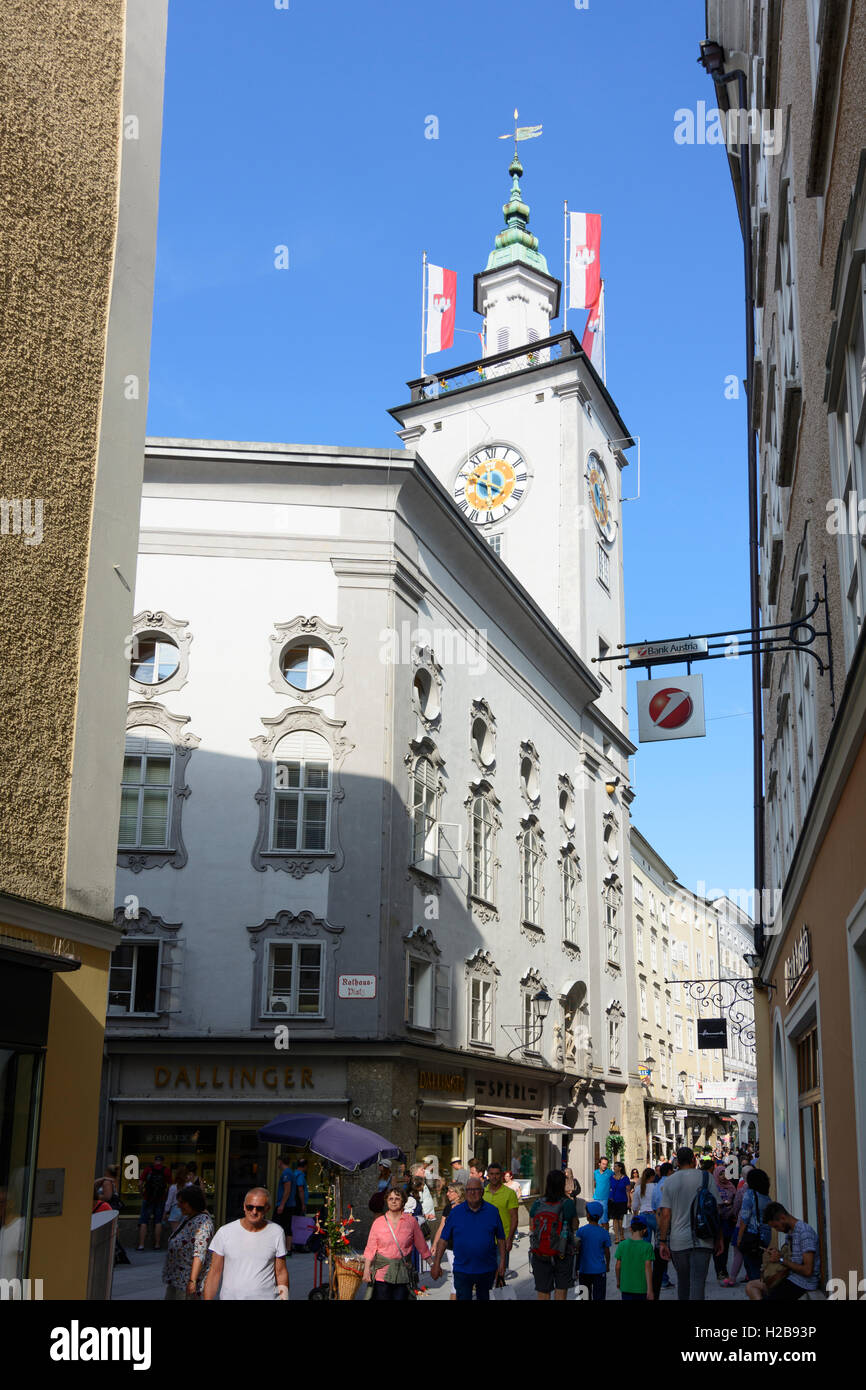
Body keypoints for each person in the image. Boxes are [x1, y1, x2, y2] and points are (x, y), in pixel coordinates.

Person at [656, 1147, 724, 1301]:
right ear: (694, 1159)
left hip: (678, 1241)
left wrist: (662, 1241)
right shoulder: (706, 1178)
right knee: (698, 1283)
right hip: (704, 1239)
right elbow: (716, 1211)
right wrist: (719, 1238)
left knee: (683, 1281)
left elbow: (665, 1214)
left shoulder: (670, 1181)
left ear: (677, 1162)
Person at [204, 1187, 288, 1301]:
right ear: (244, 1206)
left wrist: (284, 1298)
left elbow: (281, 1272)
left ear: (267, 1209)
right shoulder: (225, 1232)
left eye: (259, 1208)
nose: (254, 1211)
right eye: (250, 1207)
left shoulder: (276, 1232)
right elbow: (214, 1272)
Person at [430, 1175, 506, 1301]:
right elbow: (444, 1239)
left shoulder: (492, 1211)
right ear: (465, 1192)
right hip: (462, 1269)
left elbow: (501, 1238)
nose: (473, 1193)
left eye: (476, 1189)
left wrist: (502, 1262)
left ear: (482, 1192)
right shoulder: (455, 1212)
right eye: (469, 1190)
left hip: (486, 1269)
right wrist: (436, 1263)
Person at [363, 1187, 432, 1299]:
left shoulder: (411, 1222)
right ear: (386, 1201)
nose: (393, 1201)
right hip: (382, 1274)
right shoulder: (378, 1223)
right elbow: (370, 1248)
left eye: (397, 1198)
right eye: (390, 1199)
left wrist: (432, 1264)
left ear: (403, 1201)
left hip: (402, 1273)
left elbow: (422, 1246)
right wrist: (366, 1270)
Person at [747, 1203, 820, 1301]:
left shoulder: (804, 1233)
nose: (777, 1230)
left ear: (782, 1218)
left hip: (803, 1282)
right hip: (789, 1276)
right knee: (751, 1286)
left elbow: (807, 1270)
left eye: (776, 1226)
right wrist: (777, 1254)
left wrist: (781, 1259)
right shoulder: (790, 1232)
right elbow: (790, 1258)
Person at [528, 1169, 578, 1301]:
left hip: (540, 1252)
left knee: (543, 1291)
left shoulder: (537, 1203)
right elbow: (575, 1226)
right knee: (561, 1289)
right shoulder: (567, 1203)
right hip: (563, 1252)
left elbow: (532, 1227)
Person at [162, 1185, 214, 1300]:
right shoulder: (189, 1218)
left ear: (193, 1202)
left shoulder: (203, 1223)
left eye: (182, 1202)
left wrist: (192, 1281)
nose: (179, 1206)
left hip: (186, 1282)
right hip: (177, 1279)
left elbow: (199, 1254)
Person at [735, 1168, 773, 1282]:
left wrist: (739, 1237)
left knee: (752, 1268)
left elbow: (744, 1218)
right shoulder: (766, 1197)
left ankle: (757, 1291)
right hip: (764, 1237)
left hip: (751, 1236)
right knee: (757, 1264)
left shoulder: (750, 1194)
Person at [432, 1180, 465, 1300]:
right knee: (456, 1275)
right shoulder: (448, 1208)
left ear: (458, 1193)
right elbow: (442, 1226)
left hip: (465, 1247)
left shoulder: (467, 1207)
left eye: (450, 1191)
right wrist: (435, 1243)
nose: (447, 1194)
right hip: (450, 1247)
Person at [483, 1162, 520, 1267]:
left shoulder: (509, 1193)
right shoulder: (483, 1193)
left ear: (501, 1175)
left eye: (497, 1174)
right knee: (485, 1273)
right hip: (485, 1239)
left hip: (502, 1239)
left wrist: (510, 1239)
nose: (494, 1177)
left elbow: (514, 1218)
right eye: (492, 1174)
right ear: (488, 1175)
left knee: (500, 1273)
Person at [577, 1200, 611, 1300]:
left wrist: (576, 1267)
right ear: (600, 1216)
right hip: (599, 1271)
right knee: (599, 1296)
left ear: (588, 1215)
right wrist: (607, 1265)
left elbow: (577, 1250)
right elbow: (607, 1252)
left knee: (584, 1297)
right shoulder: (604, 1232)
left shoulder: (581, 1231)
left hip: (584, 1270)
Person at [615, 1214, 654, 1300]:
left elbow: (618, 1266)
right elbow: (648, 1268)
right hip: (641, 1289)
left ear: (630, 1229)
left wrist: (618, 1281)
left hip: (626, 1287)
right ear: (645, 1230)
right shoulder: (647, 1247)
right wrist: (650, 1290)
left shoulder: (622, 1245)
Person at [138, 1153, 171, 1252]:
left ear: (154, 1160)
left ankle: (141, 1245)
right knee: (158, 1221)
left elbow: (140, 1183)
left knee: (144, 1221)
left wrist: (142, 1193)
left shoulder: (148, 1169)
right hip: (160, 1199)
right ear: (162, 1161)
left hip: (148, 1198)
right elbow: (170, 1185)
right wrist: (165, 1195)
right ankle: (157, 1244)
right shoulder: (166, 1170)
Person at [713, 1163, 738, 1284]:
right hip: (718, 1220)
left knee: (726, 1246)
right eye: (720, 1174)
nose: (723, 1176)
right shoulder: (713, 1187)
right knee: (718, 1245)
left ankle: (724, 1269)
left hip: (729, 1220)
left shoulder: (731, 1186)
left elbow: (736, 1201)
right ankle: (720, 1270)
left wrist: (731, 1206)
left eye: (724, 1173)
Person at [275, 1154, 295, 1255]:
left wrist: (281, 1204)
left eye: (278, 1161)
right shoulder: (290, 1172)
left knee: (279, 1225)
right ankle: (288, 1248)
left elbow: (287, 1190)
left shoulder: (286, 1173)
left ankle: (286, 1249)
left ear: (280, 1162)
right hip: (288, 1204)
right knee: (286, 1225)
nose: (277, 1164)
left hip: (285, 1205)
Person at [162, 1164, 189, 1235]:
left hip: (175, 1209)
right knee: (185, 1234)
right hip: (186, 1210)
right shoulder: (189, 1186)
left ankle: (176, 1246)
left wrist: (164, 1213)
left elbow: (169, 1202)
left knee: (175, 1233)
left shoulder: (173, 1187)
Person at [608, 1161, 631, 1244]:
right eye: (614, 1166)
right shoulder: (611, 1178)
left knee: (621, 1220)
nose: (614, 1168)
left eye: (616, 1166)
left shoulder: (625, 1178)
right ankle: (616, 1237)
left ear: (620, 1168)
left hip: (622, 1201)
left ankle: (622, 1235)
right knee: (614, 1219)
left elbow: (628, 1191)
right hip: (613, 1201)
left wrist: (629, 1201)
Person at [592, 1156, 612, 1227]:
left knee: (604, 1219)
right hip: (596, 1198)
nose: (605, 1166)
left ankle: (606, 1235)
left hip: (605, 1198)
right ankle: (599, 1235)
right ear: (599, 1164)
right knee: (597, 1218)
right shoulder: (595, 1172)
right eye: (603, 1164)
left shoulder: (610, 1173)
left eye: (606, 1164)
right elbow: (595, 1183)